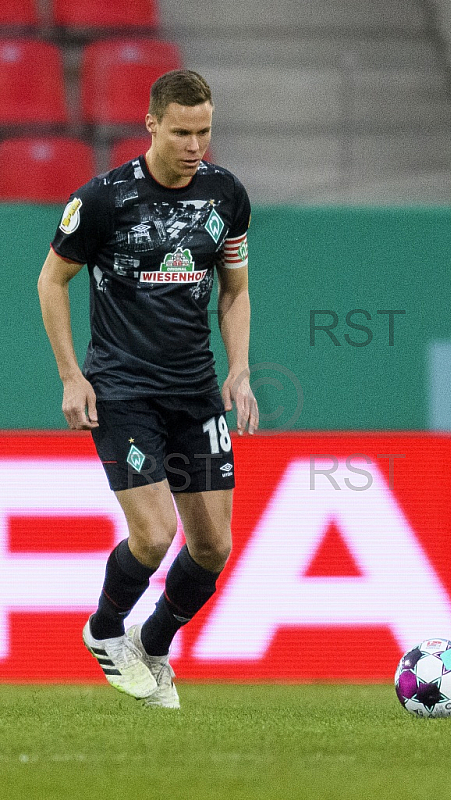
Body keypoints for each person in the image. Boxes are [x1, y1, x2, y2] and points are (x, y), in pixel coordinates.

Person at [37, 69, 259, 709]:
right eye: (183, 131)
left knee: (214, 545)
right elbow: (53, 282)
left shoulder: (226, 197)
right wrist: (70, 375)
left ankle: (154, 642)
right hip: (123, 389)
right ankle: (104, 630)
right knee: (156, 535)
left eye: (206, 132)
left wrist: (238, 369)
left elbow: (235, 290)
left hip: (195, 390)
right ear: (152, 125)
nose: (196, 145)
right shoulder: (103, 200)